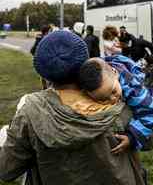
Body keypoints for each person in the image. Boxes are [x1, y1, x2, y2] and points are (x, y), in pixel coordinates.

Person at [0, 31, 145, 185]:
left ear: (44, 75)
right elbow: (148, 140)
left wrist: (6, 136)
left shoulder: (30, 111)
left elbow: (6, 169)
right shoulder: (119, 96)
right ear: (86, 62)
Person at [78, 55, 153, 151]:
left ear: (115, 73)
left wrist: (132, 137)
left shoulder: (132, 87)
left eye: (113, 91)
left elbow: (150, 111)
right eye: (103, 99)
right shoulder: (99, 79)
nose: (113, 99)